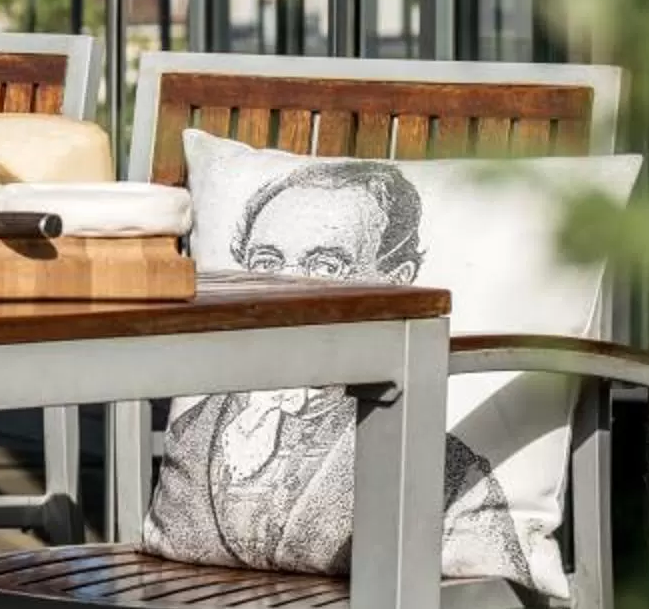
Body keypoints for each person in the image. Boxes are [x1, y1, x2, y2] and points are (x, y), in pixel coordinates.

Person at [149, 160, 535, 584]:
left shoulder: (447, 471)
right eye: (266, 261)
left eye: (325, 266)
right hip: (180, 583)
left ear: (397, 282)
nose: (285, 290)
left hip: (389, 599)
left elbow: (492, 566)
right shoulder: (192, 433)